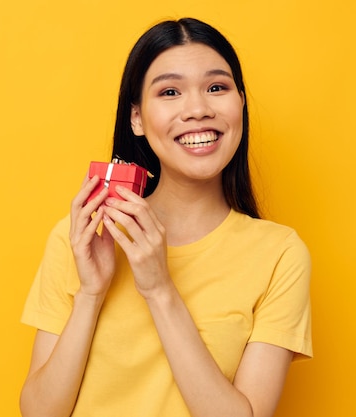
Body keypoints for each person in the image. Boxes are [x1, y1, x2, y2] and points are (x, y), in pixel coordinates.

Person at [19, 17, 312, 417]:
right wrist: (91, 294)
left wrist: (160, 289)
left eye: (216, 87)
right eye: (170, 91)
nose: (197, 109)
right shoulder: (85, 237)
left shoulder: (279, 254)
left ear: (240, 102)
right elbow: (39, 413)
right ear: (136, 118)